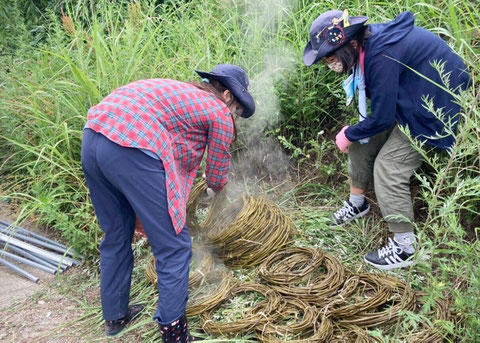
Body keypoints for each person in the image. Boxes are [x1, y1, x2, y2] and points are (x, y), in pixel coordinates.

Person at [81, 64, 255, 341]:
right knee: (174, 248)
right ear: (226, 96)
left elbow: (173, 158)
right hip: (131, 147)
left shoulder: (180, 93)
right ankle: (174, 333)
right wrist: (214, 191)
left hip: (93, 137)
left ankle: (115, 317)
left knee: (116, 233)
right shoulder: (219, 111)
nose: (233, 114)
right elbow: (217, 171)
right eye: (236, 108)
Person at [303, 10, 470, 270]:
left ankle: (404, 247)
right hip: (412, 94)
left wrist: (347, 133)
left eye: (331, 57)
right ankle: (357, 204)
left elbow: (381, 118)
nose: (329, 65)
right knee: (362, 138)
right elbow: (379, 113)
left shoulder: (380, 54)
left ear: (349, 44)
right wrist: (355, 134)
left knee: (388, 166)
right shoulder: (368, 46)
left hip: (437, 103)